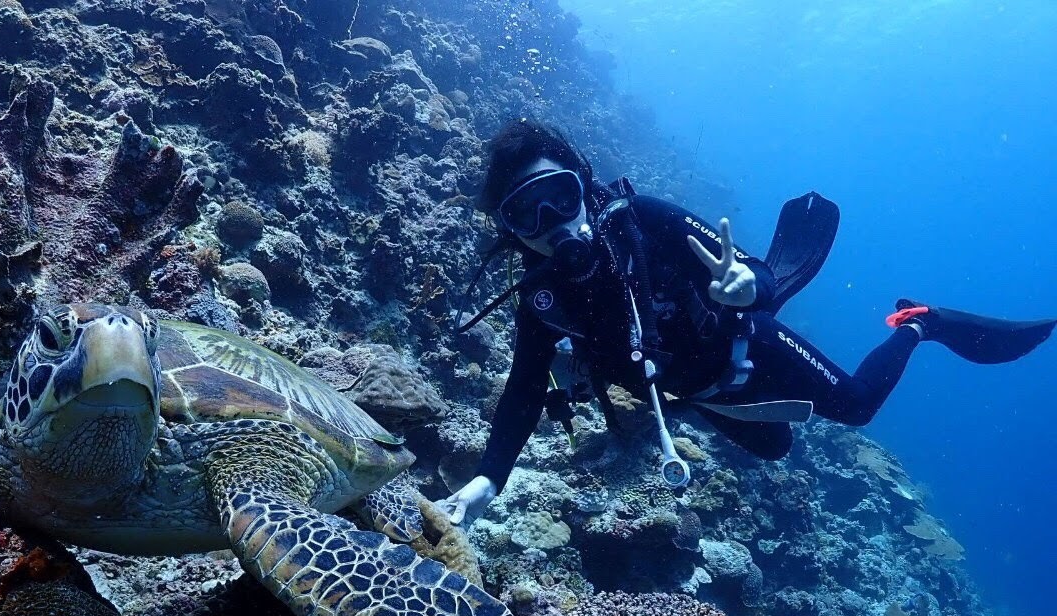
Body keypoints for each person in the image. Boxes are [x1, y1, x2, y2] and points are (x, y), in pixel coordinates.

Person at [436, 118, 1055, 525]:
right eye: (528, 214)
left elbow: (752, 270)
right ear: (511, 232)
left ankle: (920, 323)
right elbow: (524, 387)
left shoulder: (643, 220)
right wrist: (489, 478)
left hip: (745, 346)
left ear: (585, 186)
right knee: (776, 448)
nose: (555, 223)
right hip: (697, 392)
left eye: (562, 196)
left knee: (857, 406)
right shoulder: (542, 298)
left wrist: (750, 287)